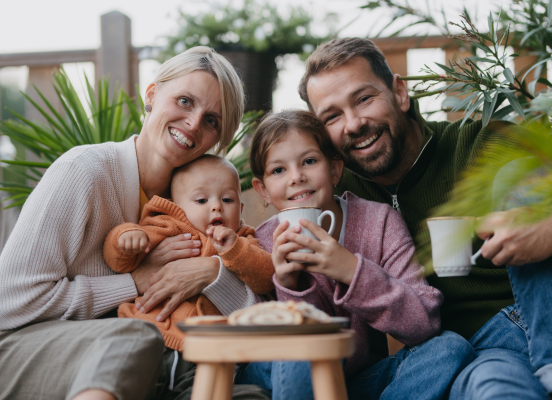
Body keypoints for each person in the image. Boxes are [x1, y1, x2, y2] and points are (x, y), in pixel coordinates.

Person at [294, 37, 552, 400]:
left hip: (524, 327)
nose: (354, 123)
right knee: (494, 388)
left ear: (400, 93)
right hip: (452, 361)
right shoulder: (336, 193)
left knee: (526, 177)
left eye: (364, 99)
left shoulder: (486, 143)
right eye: (332, 115)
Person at [0, 46, 268, 400]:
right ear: (153, 95)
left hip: (147, 363)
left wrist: (212, 273)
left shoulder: (202, 205)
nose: (193, 123)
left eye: (211, 120)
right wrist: (133, 282)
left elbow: (259, 317)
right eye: (185, 101)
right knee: (132, 337)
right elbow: (10, 304)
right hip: (24, 351)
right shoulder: (84, 171)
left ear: (218, 140)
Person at [234, 110, 474, 400]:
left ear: (335, 170)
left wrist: (351, 271)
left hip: (362, 380)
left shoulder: (378, 222)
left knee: (450, 347)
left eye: (309, 161)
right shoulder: (260, 243)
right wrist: (290, 286)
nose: (296, 177)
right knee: (295, 348)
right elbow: (265, 347)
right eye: (278, 170)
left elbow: (424, 323)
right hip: (288, 379)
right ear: (263, 190)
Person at [104, 154, 274, 352]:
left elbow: (266, 279)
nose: (217, 206)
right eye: (202, 200)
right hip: (147, 328)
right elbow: (119, 263)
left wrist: (234, 250)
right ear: (177, 206)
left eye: (228, 199)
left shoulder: (243, 240)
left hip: (206, 346)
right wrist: (125, 237)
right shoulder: (168, 226)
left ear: (240, 208)